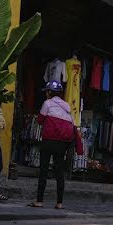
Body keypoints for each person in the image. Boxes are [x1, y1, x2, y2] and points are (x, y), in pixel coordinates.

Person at [31, 81, 76, 210]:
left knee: (44, 170)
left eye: (47, 91)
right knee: (59, 172)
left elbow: (40, 120)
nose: (46, 93)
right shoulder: (66, 106)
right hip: (62, 144)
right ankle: (59, 202)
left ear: (50, 92)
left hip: (48, 141)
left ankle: (39, 201)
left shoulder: (47, 103)